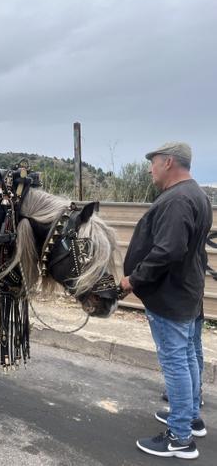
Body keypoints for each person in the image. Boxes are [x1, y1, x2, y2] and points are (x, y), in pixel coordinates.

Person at [120, 142, 211, 460]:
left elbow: (168, 251)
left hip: (171, 294)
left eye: (153, 162)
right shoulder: (197, 194)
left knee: (176, 362)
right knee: (186, 358)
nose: (149, 169)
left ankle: (180, 438)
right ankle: (189, 418)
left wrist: (134, 279)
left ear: (169, 162)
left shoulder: (178, 199)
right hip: (186, 291)